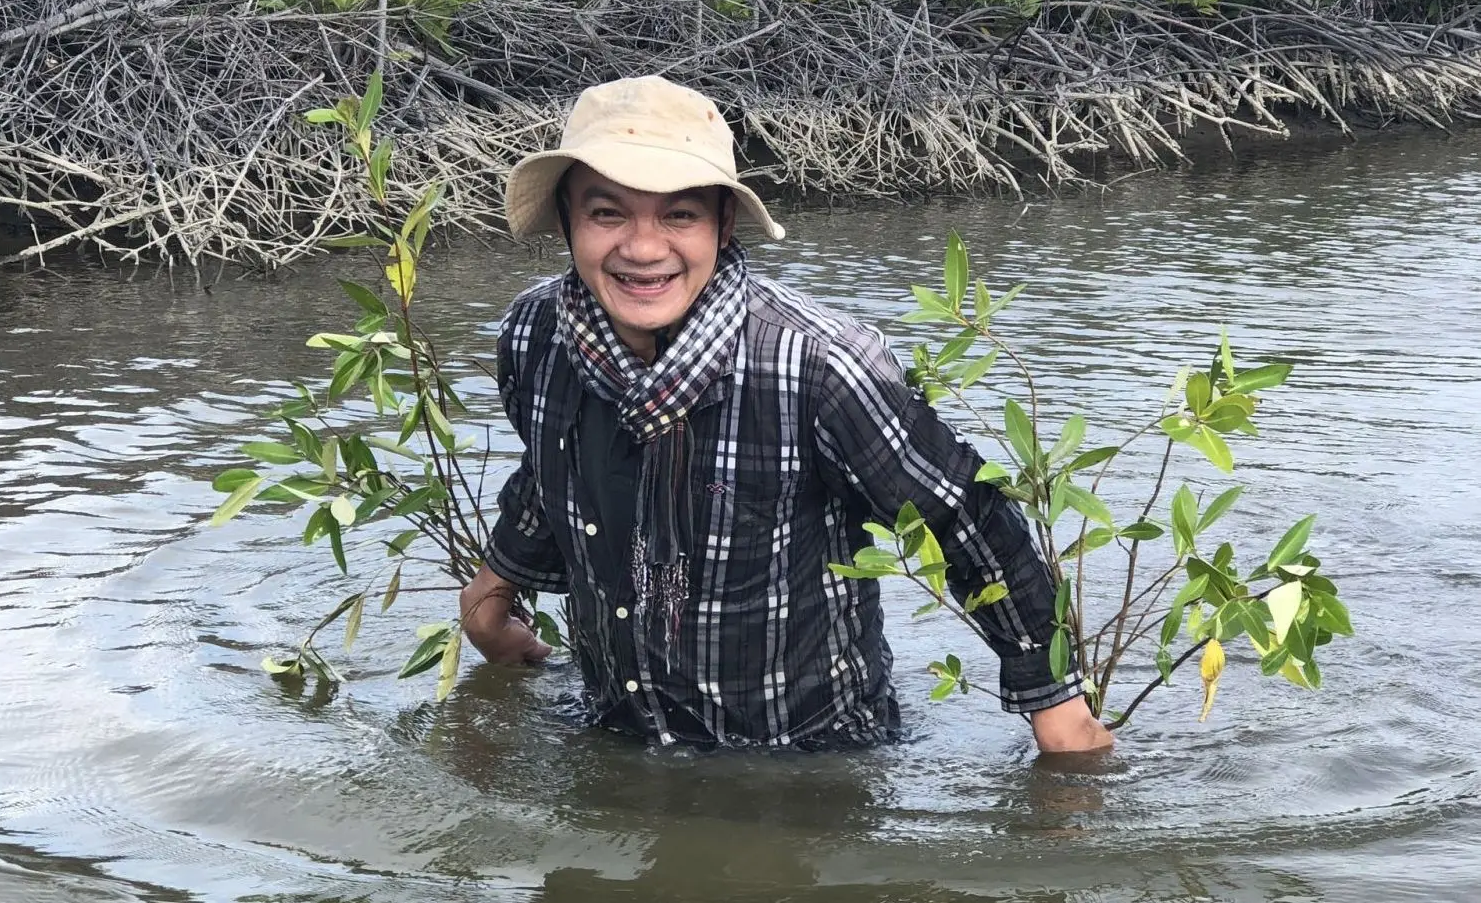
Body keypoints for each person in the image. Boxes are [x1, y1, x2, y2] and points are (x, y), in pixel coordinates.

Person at [459, 75, 1112, 754]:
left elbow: (963, 514)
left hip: (805, 754)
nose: (643, 248)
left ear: (723, 223)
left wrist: (1055, 706)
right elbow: (552, 466)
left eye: (678, 215)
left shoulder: (819, 365)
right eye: (607, 213)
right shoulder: (537, 333)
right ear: (566, 219)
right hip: (616, 729)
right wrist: (495, 586)